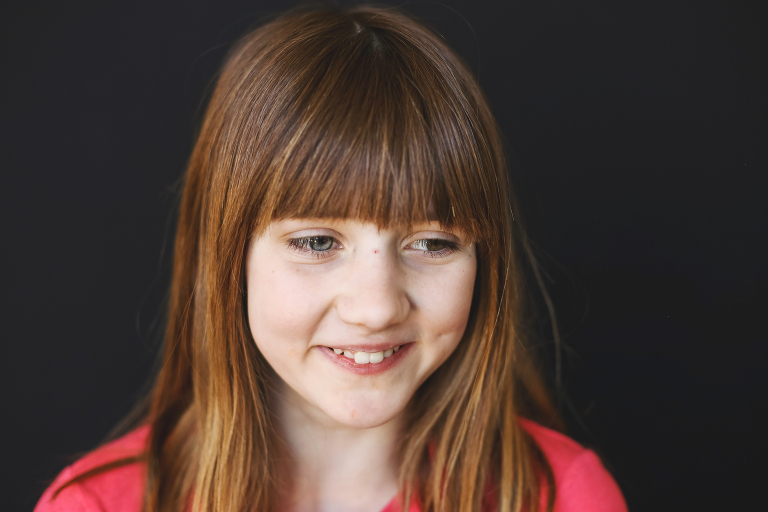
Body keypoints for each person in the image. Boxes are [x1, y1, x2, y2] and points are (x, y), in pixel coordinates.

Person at [35, 5, 627, 512]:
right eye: (318, 242)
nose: (375, 307)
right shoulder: (98, 504)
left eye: (432, 243)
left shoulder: (564, 496)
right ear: (228, 256)